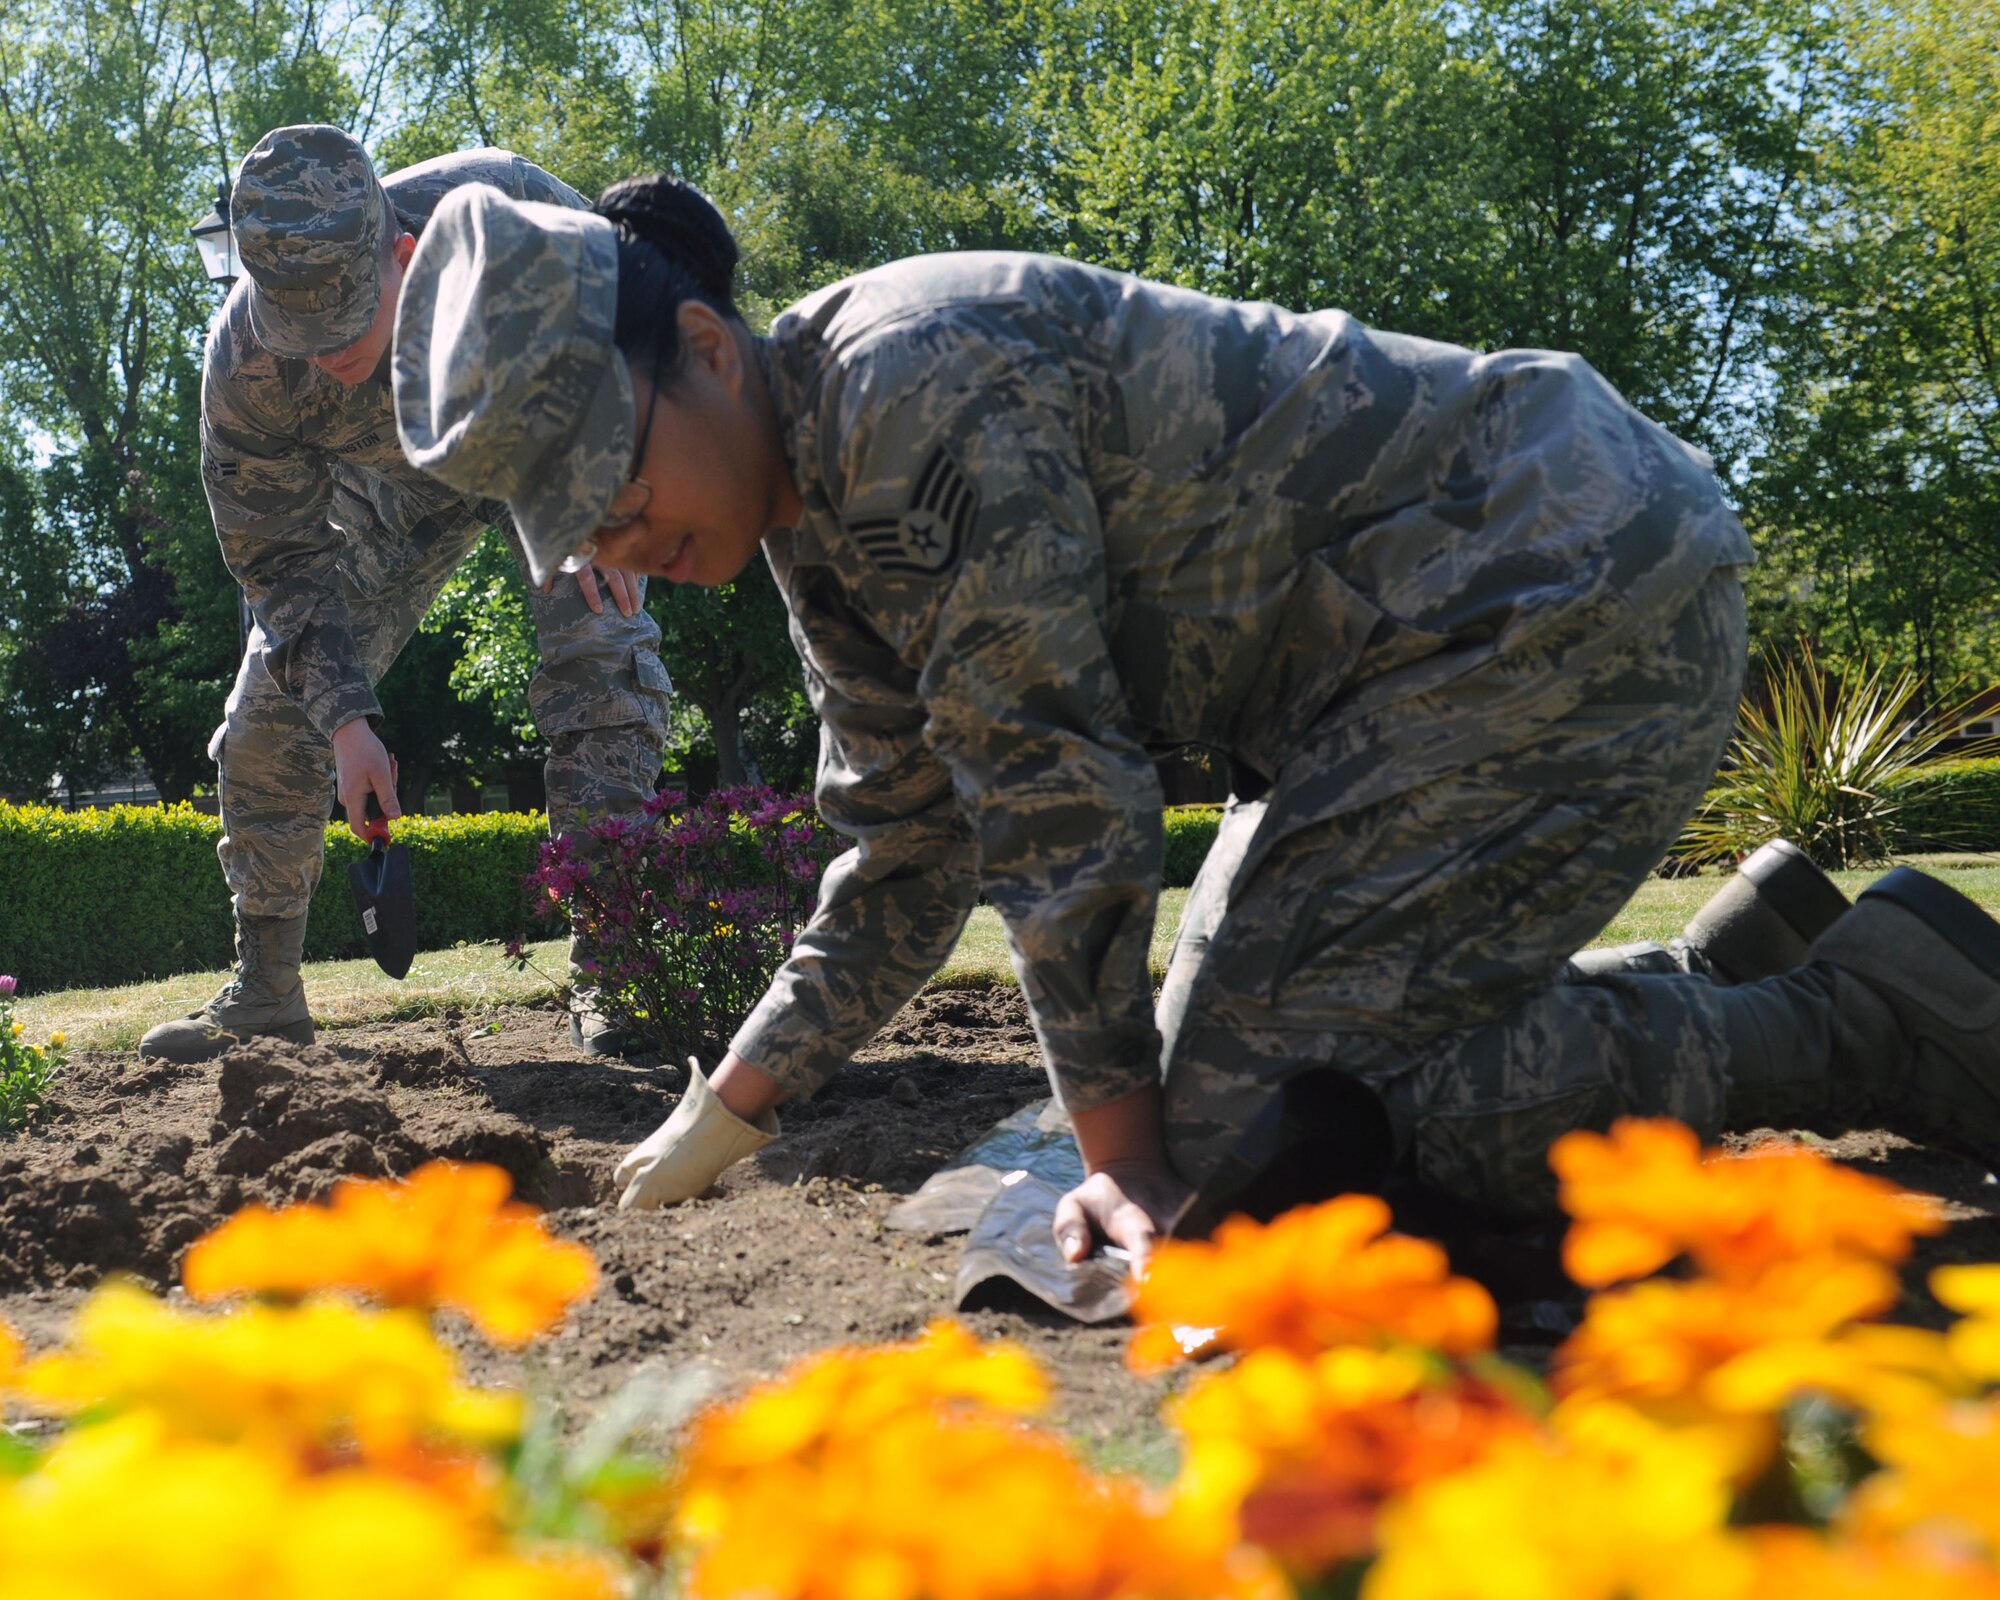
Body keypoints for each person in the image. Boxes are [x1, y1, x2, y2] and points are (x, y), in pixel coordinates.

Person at [392, 176, 2000, 1264]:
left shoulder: (901, 392)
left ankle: (1861, 1018)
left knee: (1257, 1128)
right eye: (577, 538)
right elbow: (906, 847)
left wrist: (1125, 1155)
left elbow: (1055, 798)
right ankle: (1731, 961)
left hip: (1561, 592)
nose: (616, 550)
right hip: (1419, 667)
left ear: (702, 347)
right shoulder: (815, 525)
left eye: (612, 489)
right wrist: (723, 1110)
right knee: (1224, 1075)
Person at [140, 127, 674, 1064]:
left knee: (604, 645)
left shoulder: (515, 215)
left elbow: (643, 330)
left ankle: (614, 968)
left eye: (348, 321)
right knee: (270, 715)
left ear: (403, 255)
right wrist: (347, 721)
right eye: (300, 333)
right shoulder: (247, 367)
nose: (328, 351)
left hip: (534, 448)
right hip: (392, 497)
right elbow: (279, 562)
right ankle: (266, 992)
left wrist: (601, 484)